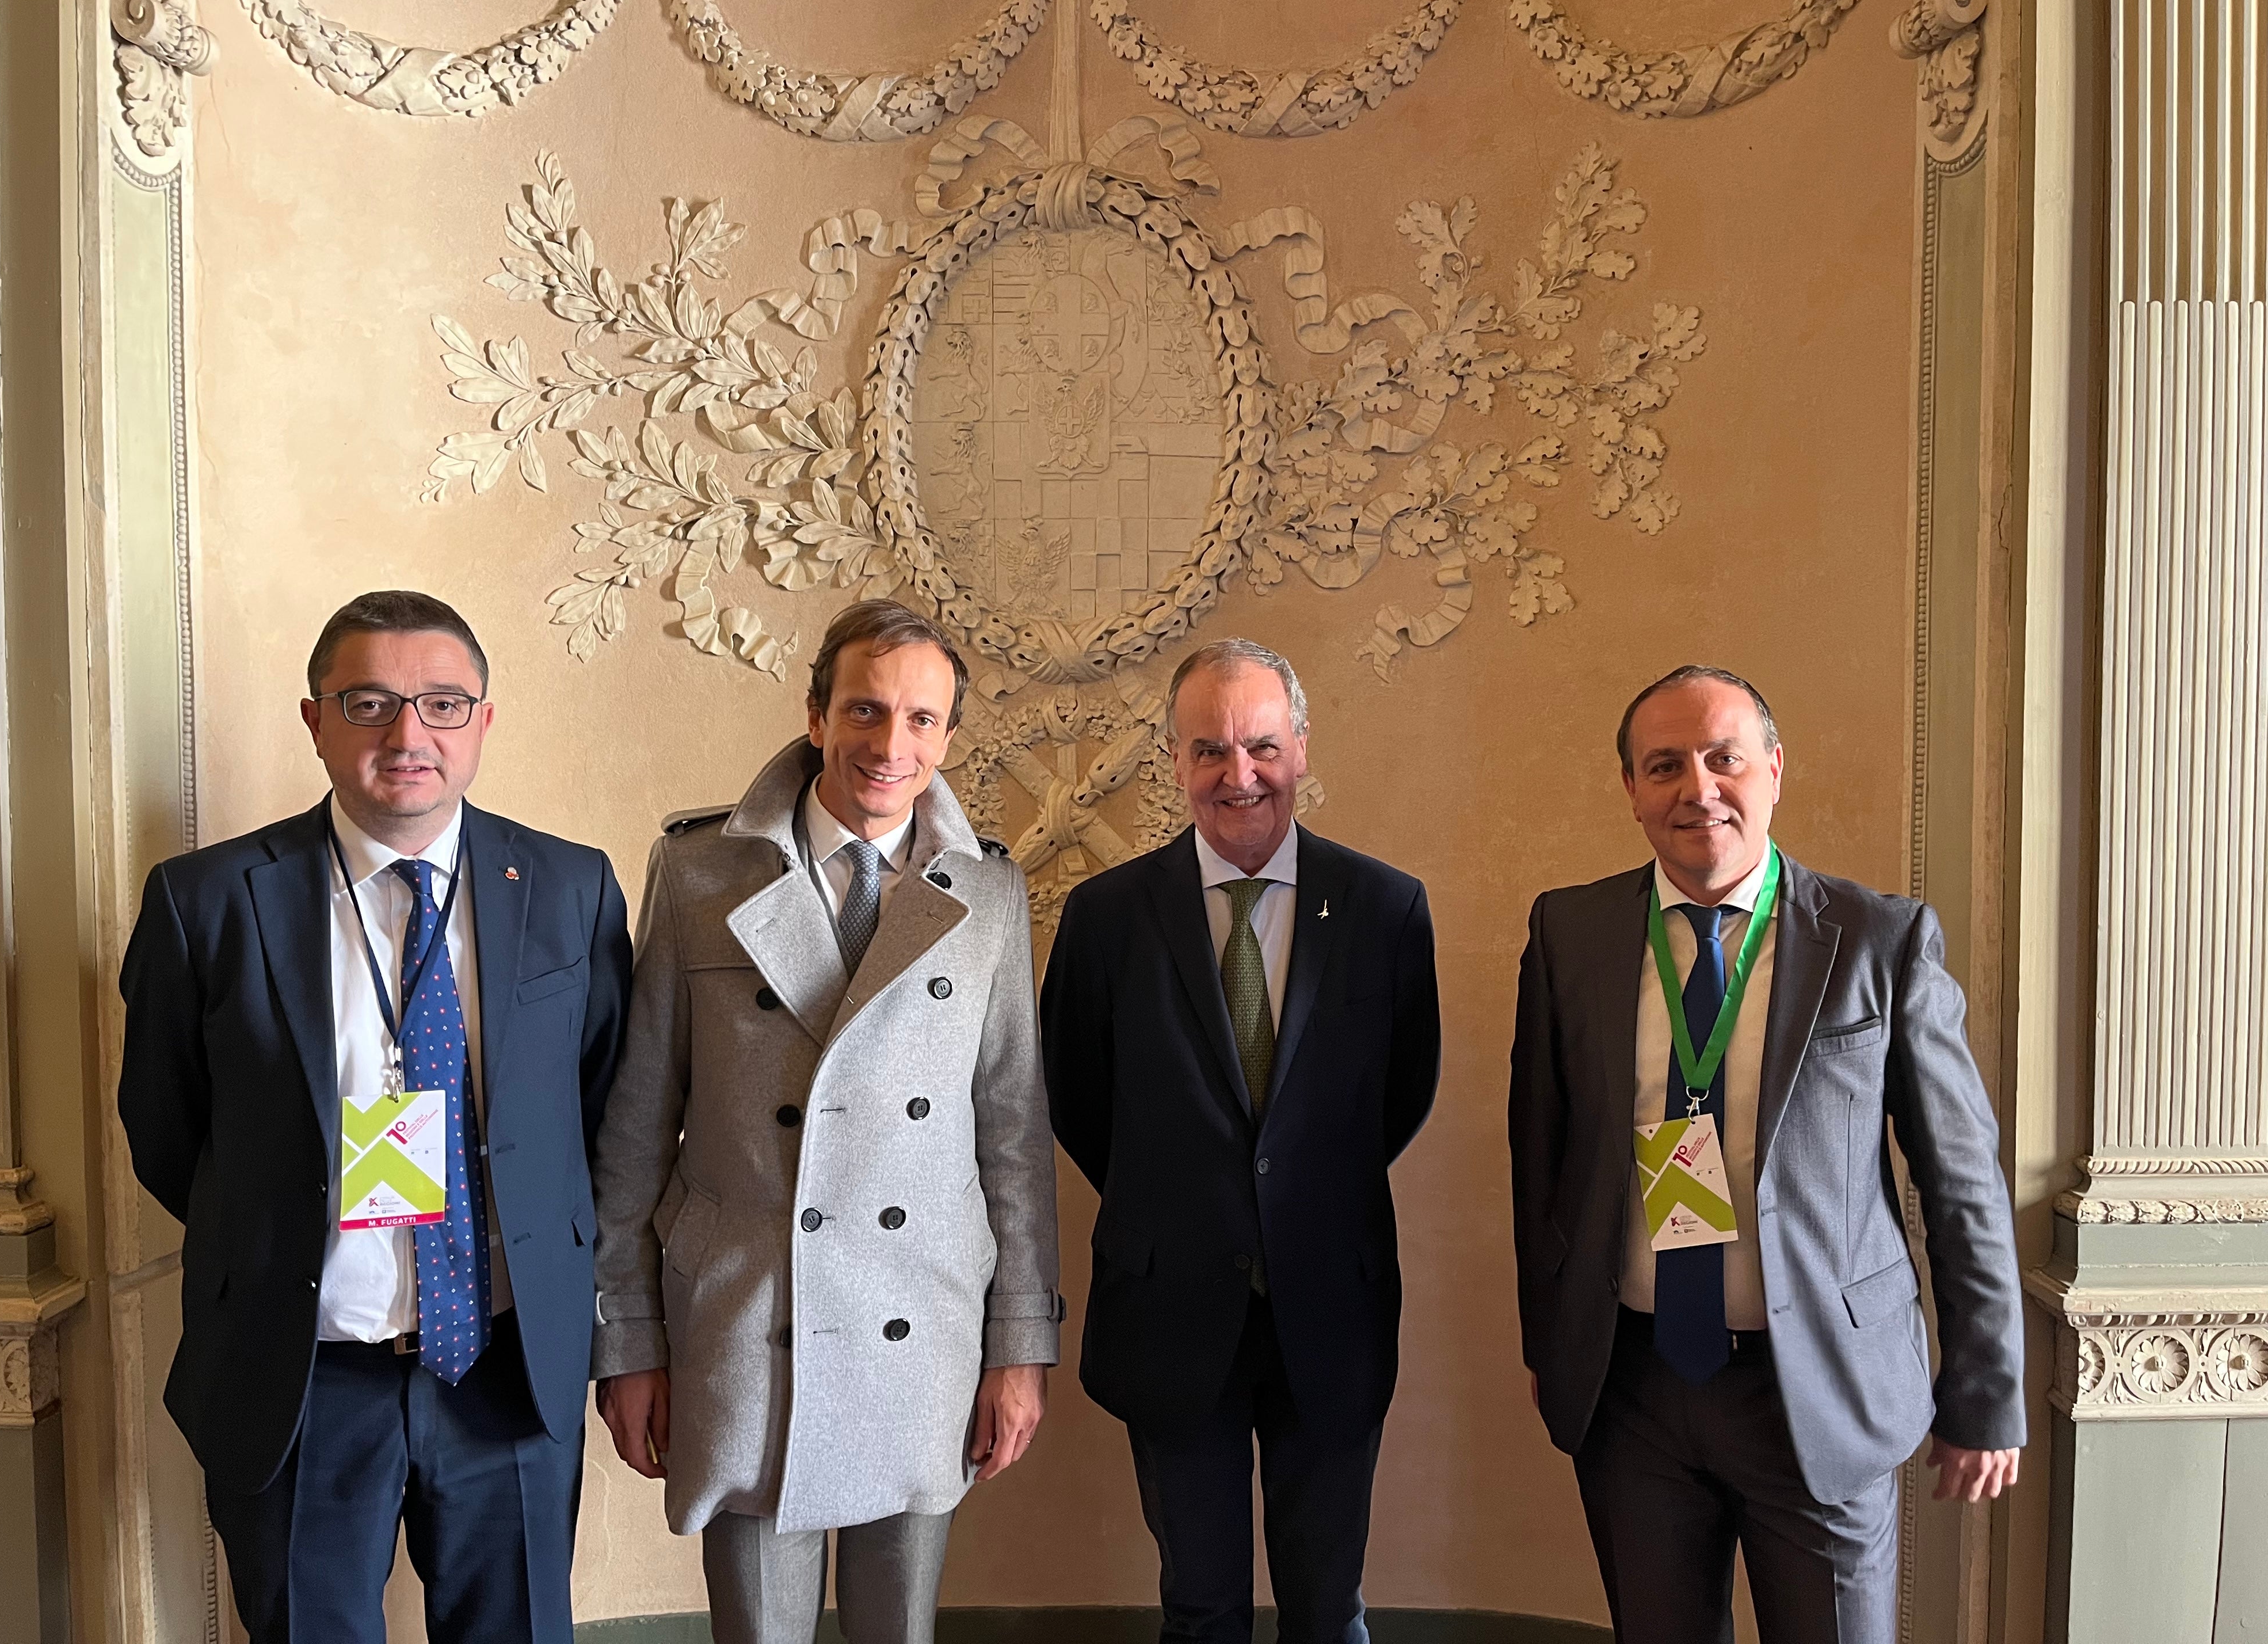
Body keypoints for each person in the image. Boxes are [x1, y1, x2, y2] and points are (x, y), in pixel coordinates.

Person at [117, 590, 633, 1643]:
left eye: (444, 704)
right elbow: (169, 1130)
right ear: (314, 720)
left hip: (506, 1370)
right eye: (371, 703)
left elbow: (598, 1109)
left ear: (485, 722)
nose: (409, 735)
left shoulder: (572, 888)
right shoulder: (207, 901)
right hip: (301, 1380)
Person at [1508, 664, 2025, 1644]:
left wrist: (1986, 1389)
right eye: (1664, 766)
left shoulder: (1880, 940)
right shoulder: (1571, 932)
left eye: (1723, 759)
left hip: (1818, 1389)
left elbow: (1961, 1181)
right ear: (1631, 791)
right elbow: (1539, 1153)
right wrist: (1550, 1336)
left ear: (1775, 771)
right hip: (1637, 1391)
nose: (1696, 788)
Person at [590, 599, 1059, 1644]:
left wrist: (1019, 1346)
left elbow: (1013, 1136)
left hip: (923, 1313)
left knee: (901, 1631)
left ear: (947, 736)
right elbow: (635, 1126)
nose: (892, 747)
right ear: (815, 715)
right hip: (748, 1318)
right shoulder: (699, 871)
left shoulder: (989, 893)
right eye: (866, 710)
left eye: (922, 720)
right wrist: (625, 1338)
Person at [1040, 638, 1440, 1644]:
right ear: (1174, 760)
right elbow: (1081, 1104)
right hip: (1170, 1308)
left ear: (1302, 749)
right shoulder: (1104, 918)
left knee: (1327, 1606)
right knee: (1201, 1606)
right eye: (1209, 750)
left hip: (1332, 1306)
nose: (1240, 775)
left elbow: (1403, 1090)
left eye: (1262, 746)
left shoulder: (1388, 909)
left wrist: (1288, 1191)